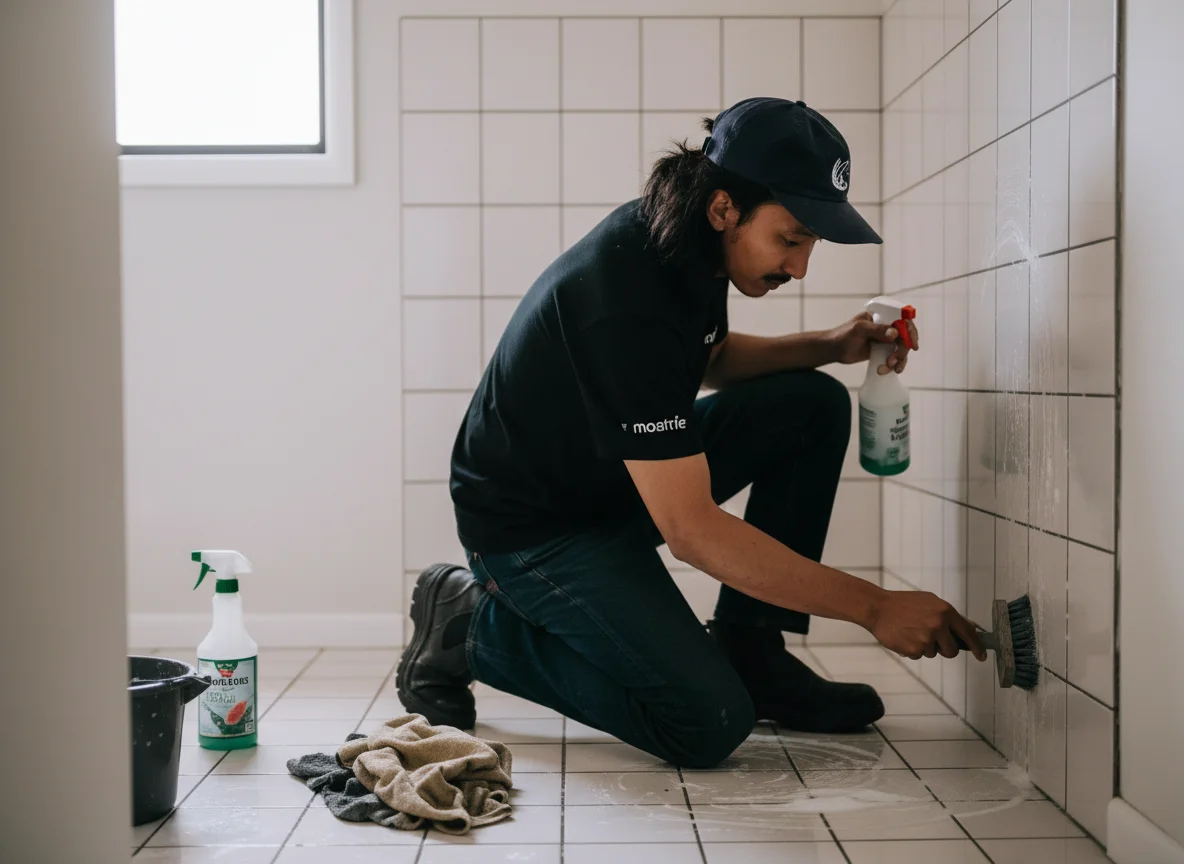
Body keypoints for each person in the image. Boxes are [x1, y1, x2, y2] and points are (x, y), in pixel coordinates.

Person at [395, 97, 987, 769]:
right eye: (791, 238)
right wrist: (875, 607)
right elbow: (692, 531)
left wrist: (831, 344)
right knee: (705, 722)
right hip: (535, 532)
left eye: (811, 244)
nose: (800, 268)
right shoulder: (627, 294)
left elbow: (708, 360)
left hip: (610, 483)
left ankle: (752, 649)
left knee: (810, 404)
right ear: (724, 208)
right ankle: (467, 628)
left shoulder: (686, 239)